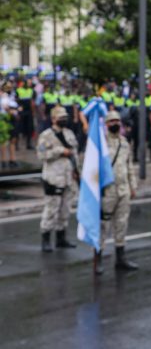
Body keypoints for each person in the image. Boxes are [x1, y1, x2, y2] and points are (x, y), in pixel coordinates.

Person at [95, 111, 139, 274]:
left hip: (123, 189)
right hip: (108, 190)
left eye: (117, 121)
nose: (115, 124)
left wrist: (132, 186)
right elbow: (90, 167)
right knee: (103, 225)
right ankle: (98, 258)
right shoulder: (100, 144)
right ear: (106, 124)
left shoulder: (125, 143)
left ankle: (120, 258)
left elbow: (129, 167)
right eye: (112, 121)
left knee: (121, 223)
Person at [37, 106, 79, 252]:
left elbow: (75, 154)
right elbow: (41, 155)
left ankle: (61, 238)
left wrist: (76, 170)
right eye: (61, 118)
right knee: (51, 209)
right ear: (53, 119)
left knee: (65, 209)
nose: (64, 120)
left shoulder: (69, 134)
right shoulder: (46, 135)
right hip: (53, 178)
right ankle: (46, 238)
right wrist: (60, 151)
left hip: (68, 178)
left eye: (65, 118)